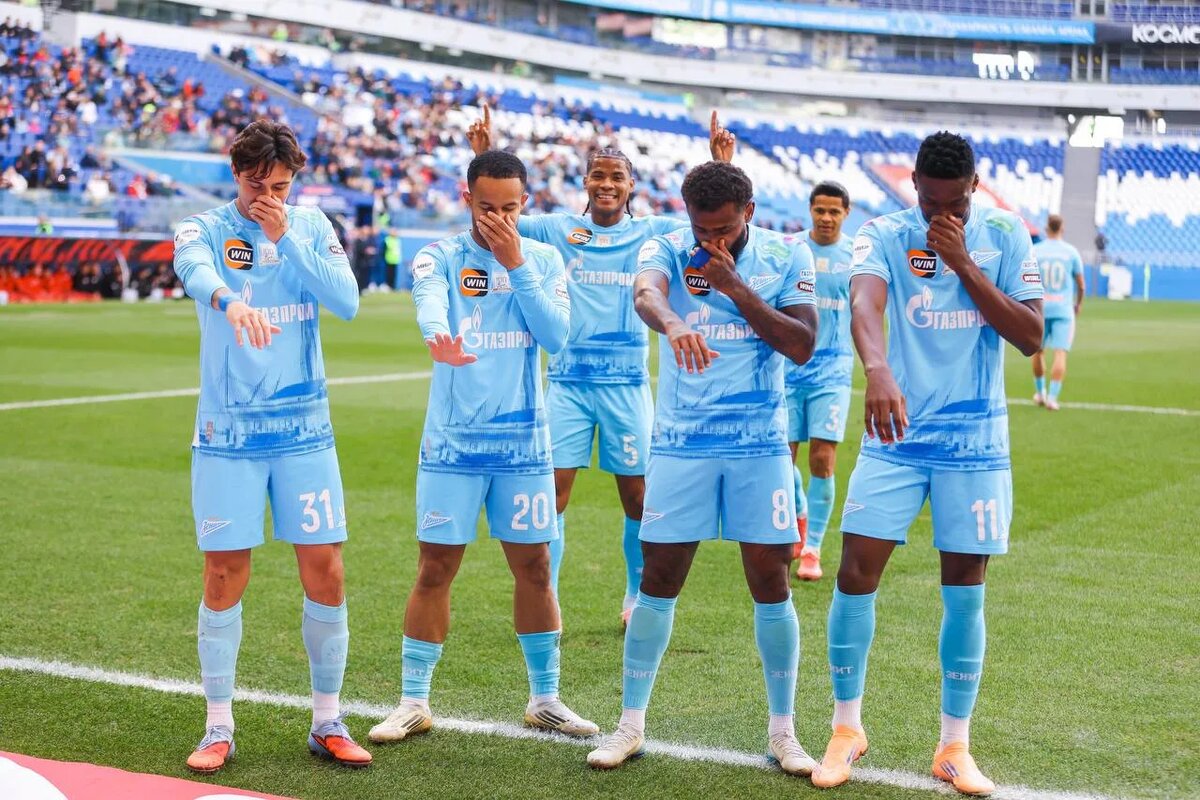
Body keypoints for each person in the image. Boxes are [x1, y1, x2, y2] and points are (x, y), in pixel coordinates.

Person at [811, 132, 1043, 796]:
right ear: (912, 183)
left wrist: (964, 262)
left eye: (955, 203)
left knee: (965, 584)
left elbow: (1030, 335)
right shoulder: (883, 232)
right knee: (855, 573)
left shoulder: (1005, 233)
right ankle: (846, 728)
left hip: (975, 444)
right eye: (930, 201)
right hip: (896, 435)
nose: (942, 213)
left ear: (975, 187)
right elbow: (864, 302)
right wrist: (877, 368)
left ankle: (953, 745)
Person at [586, 161, 820, 776]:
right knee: (659, 574)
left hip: (759, 445)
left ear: (749, 212)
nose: (710, 240)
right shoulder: (667, 246)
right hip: (681, 444)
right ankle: (630, 725)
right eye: (701, 229)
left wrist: (735, 287)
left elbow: (801, 344)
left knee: (770, 577)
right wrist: (672, 321)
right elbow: (645, 293)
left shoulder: (787, 255)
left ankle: (784, 732)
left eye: (723, 229)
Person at [467, 105, 735, 623]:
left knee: (638, 496)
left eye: (617, 177)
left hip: (627, 385)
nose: (606, 184)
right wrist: (484, 158)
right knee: (553, 494)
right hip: (567, 384)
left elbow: (713, 226)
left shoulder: (655, 232)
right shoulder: (556, 229)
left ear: (632, 185)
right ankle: (547, 596)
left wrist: (719, 164)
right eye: (598, 175)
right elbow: (496, 219)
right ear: (585, 182)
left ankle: (635, 594)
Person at [369, 150, 598, 745]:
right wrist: (436, 336)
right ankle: (413, 701)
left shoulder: (542, 258)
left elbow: (556, 336)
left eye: (510, 208)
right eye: (487, 207)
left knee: (536, 566)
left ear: (526, 204)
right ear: (466, 198)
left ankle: (545, 699)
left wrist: (515, 264)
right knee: (435, 566)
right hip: (453, 446)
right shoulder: (439, 256)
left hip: (524, 447)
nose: (499, 218)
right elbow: (429, 301)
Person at [172, 119, 370, 774]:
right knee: (223, 572)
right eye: (257, 184)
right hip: (228, 434)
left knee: (326, 567)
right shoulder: (204, 227)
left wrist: (287, 238)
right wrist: (229, 302)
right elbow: (191, 268)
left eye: (280, 186)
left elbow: (347, 302)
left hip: (304, 433)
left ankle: (328, 720)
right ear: (237, 174)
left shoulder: (310, 226)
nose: (268, 196)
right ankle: (218, 725)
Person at [786, 181, 856, 582]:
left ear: (846, 213)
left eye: (834, 211)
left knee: (822, 459)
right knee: (781, 459)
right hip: (788, 369)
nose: (826, 218)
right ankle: (799, 511)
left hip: (832, 371)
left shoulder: (855, 257)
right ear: (810, 210)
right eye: (820, 210)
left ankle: (812, 547)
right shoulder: (792, 249)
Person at [1031, 214, 1084, 411]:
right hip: (1063, 309)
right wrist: (1078, 304)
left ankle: (1040, 393)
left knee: (1037, 351)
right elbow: (1081, 285)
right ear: (1062, 229)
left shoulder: (1035, 251)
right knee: (1060, 353)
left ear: (1046, 229)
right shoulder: (1071, 252)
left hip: (1040, 309)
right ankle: (1052, 399)